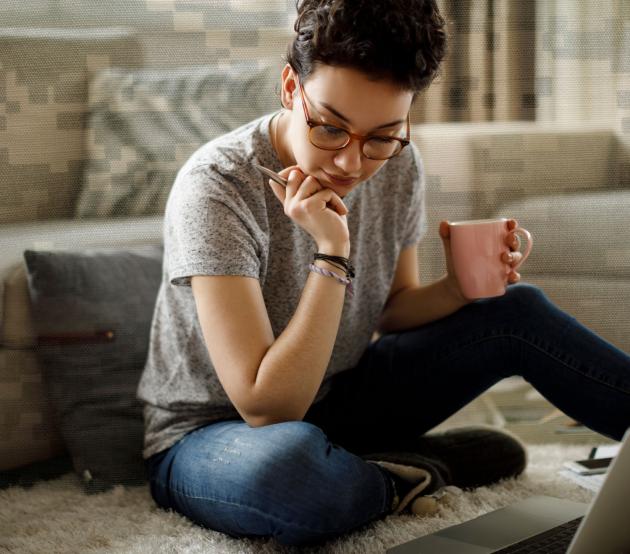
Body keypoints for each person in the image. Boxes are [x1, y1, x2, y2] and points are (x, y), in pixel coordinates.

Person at [136, 0, 630, 546]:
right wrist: (331, 253)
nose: (352, 163)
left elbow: (393, 311)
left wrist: (457, 290)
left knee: (515, 311)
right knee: (289, 474)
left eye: (382, 136)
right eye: (330, 128)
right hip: (214, 435)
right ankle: (407, 472)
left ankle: (368, 463)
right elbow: (267, 406)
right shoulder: (219, 185)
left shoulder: (399, 164)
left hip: (340, 398)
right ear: (290, 89)